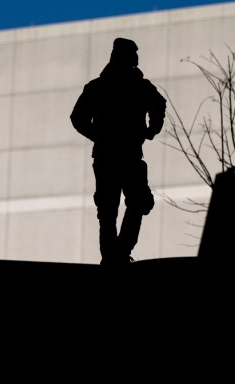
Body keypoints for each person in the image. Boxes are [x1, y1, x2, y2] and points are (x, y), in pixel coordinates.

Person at [70, 37, 166, 266]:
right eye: (132, 54)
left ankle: (118, 253)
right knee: (110, 208)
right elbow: (78, 118)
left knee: (133, 203)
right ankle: (114, 256)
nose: (135, 58)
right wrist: (100, 136)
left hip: (125, 155)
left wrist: (151, 129)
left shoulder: (137, 86)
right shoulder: (101, 87)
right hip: (112, 155)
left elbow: (158, 105)